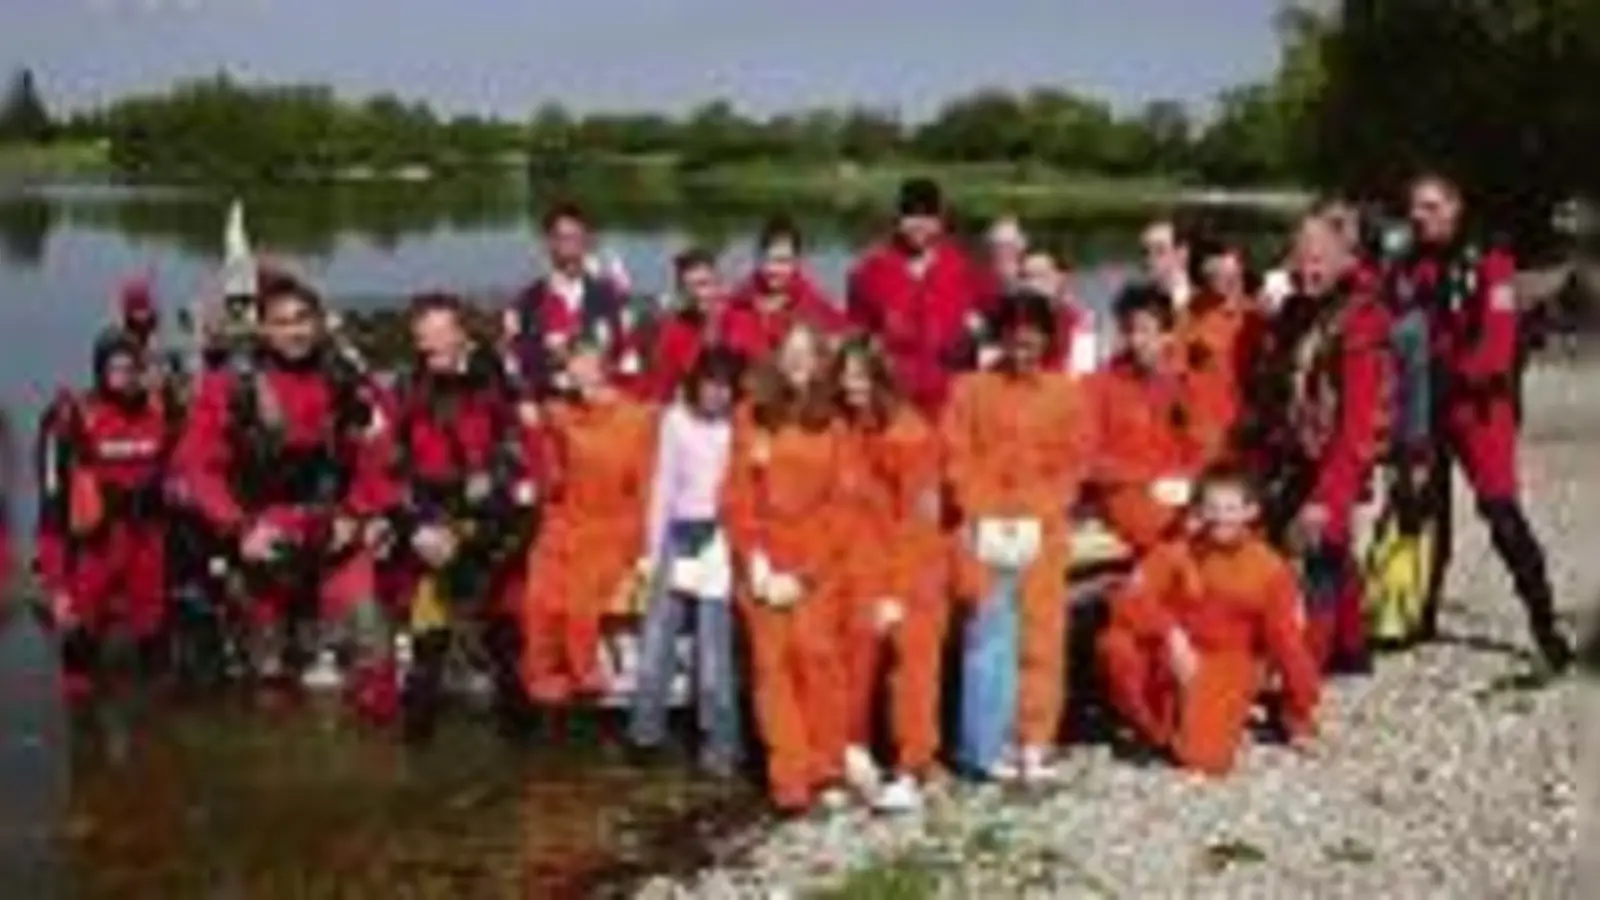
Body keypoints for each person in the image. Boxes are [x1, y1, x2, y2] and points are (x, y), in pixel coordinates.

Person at [172, 272, 396, 721]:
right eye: (282, 322)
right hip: (262, 528)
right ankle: (275, 750)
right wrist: (238, 528)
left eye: (302, 319)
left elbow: (379, 447)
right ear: (264, 329)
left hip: (332, 521)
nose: (294, 331)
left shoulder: (345, 378)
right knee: (269, 666)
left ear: (318, 323)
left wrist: (361, 513)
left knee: (372, 644)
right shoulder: (230, 386)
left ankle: (378, 760)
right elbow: (195, 467)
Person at [1396, 174, 1573, 669]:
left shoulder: (1490, 264)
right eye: (1414, 209)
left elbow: (1496, 346)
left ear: (1455, 208)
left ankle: (1545, 623)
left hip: (1479, 410)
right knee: (1428, 511)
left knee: (1500, 513)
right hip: (1433, 403)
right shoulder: (1413, 266)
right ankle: (1420, 611)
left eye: (1430, 208)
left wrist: (1450, 378)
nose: (1420, 218)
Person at [943, 290, 1094, 783]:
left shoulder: (1067, 394)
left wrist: (1038, 511)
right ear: (1001, 338)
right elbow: (956, 457)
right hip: (984, 528)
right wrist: (984, 512)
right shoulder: (969, 390)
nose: (1023, 351)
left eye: (1033, 343)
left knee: (1042, 637)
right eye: (1015, 341)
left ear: (1048, 342)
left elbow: (1075, 463)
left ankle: (1034, 739)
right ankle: (986, 745)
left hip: (1042, 530)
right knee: (986, 635)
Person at [1097, 468, 1320, 775]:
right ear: (1199, 511)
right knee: (1116, 644)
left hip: (1231, 661)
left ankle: (1228, 710)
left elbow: (1288, 645)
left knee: (1204, 760)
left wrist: (1299, 715)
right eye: (1212, 508)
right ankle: (1152, 730)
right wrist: (1170, 633)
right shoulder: (1178, 550)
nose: (1220, 518)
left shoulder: (1269, 569)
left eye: (1230, 509)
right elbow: (1127, 598)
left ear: (1250, 512)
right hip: (1177, 651)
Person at [388, 293, 538, 742]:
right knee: (426, 656)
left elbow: (524, 452)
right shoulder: (406, 390)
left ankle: (522, 757)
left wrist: (492, 482)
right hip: (434, 533)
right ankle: (416, 760)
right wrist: (416, 527)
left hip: (492, 535)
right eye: (421, 335)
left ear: (461, 335)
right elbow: (387, 469)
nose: (427, 343)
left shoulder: (497, 385)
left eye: (438, 333)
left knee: (505, 648)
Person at [721, 324, 852, 814]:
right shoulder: (750, 417)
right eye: (790, 351)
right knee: (771, 670)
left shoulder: (833, 424)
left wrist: (804, 573)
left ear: (820, 362)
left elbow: (842, 507)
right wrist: (754, 559)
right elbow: (735, 496)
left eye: (808, 352)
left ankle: (827, 767)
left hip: (817, 561)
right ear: (775, 357)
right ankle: (789, 778)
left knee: (818, 659)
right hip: (762, 557)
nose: (798, 361)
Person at [1263, 217, 1392, 673]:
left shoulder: (1363, 318)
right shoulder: (1298, 309)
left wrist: (1328, 497)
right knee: (1325, 547)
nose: (1304, 268)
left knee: (1320, 543)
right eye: (1298, 256)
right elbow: (1283, 383)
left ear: (1347, 259)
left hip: (1340, 453)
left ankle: (1306, 672)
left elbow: (1357, 424)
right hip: (1303, 447)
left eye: (1316, 259)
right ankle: (1353, 648)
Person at [832, 335, 947, 812]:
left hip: (912, 569)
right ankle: (852, 749)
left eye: (859, 376)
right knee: (852, 658)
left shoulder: (909, 434)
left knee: (911, 668)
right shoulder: (848, 427)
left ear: (880, 378)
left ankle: (916, 767)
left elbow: (919, 523)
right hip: (861, 566)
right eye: (844, 375)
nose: (849, 385)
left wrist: (897, 593)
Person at [35, 331, 176, 700]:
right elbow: (51, 508)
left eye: (132, 368)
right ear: (99, 370)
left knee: (153, 646)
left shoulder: (161, 411)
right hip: (95, 545)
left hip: (148, 542)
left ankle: (159, 741)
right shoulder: (75, 418)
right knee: (80, 653)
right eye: (115, 367)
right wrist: (56, 586)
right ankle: (84, 739)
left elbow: (190, 466)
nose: (125, 376)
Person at [519, 343, 657, 710]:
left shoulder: (637, 417)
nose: (578, 372)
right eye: (570, 365)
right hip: (567, 521)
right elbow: (551, 476)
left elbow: (645, 487)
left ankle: (584, 670)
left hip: (614, 524)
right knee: (540, 592)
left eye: (584, 363)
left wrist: (642, 543)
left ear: (603, 366)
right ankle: (543, 673)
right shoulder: (559, 414)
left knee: (582, 593)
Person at [628, 348, 745, 778]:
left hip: (719, 535)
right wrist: (652, 549)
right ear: (696, 384)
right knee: (656, 637)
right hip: (679, 532)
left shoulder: (738, 427)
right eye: (710, 384)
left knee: (714, 650)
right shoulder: (675, 421)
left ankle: (720, 745)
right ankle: (645, 734)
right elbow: (664, 483)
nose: (717, 394)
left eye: (725, 386)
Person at [848, 178, 984, 415]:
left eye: (928, 215)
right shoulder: (869, 270)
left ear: (940, 221)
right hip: (892, 398)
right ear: (897, 219)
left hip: (950, 398)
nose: (919, 224)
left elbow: (990, 318)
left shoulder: (964, 268)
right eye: (910, 214)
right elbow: (856, 333)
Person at [1091, 284, 1207, 555]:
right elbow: (1087, 460)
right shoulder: (1099, 386)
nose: (1136, 340)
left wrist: (1190, 479)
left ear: (1167, 334)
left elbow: (1205, 447)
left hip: (1183, 494)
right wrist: (1150, 477)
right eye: (1128, 330)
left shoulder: (1188, 383)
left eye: (1145, 331)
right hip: (1128, 499)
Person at [504, 203, 641, 399]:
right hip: (549, 407)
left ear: (589, 241)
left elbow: (629, 360)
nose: (570, 246)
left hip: (603, 406)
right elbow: (513, 367)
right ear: (548, 243)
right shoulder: (526, 303)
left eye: (577, 238)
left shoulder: (612, 299)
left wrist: (613, 389)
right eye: (562, 238)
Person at [721, 216, 847, 363]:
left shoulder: (814, 304)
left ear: (796, 262)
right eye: (767, 260)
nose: (773, 269)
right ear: (758, 259)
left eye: (782, 261)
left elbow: (846, 335)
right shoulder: (737, 305)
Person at [1181, 242, 1255, 461]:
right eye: (1213, 275)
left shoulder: (1257, 319)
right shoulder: (1191, 313)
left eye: (1231, 275)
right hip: (1197, 437)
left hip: (1240, 437)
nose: (1223, 280)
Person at [646, 248, 727, 401]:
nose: (698, 294)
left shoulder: (738, 320)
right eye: (688, 288)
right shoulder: (673, 332)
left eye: (704, 284)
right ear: (681, 291)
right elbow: (663, 387)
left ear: (718, 282)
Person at [1017, 247, 1099, 376]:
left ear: (1060, 277)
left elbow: (1083, 372)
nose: (1032, 284)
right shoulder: (1014, 319)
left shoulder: (1080, 319)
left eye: (1041, 275)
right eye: (1025, 277)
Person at [1141, 218, 1196, 314]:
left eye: (1160, 251)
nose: (1150, 260)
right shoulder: (1142, 299)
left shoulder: (1196, 305)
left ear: (1181, 253)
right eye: (1146, 252)